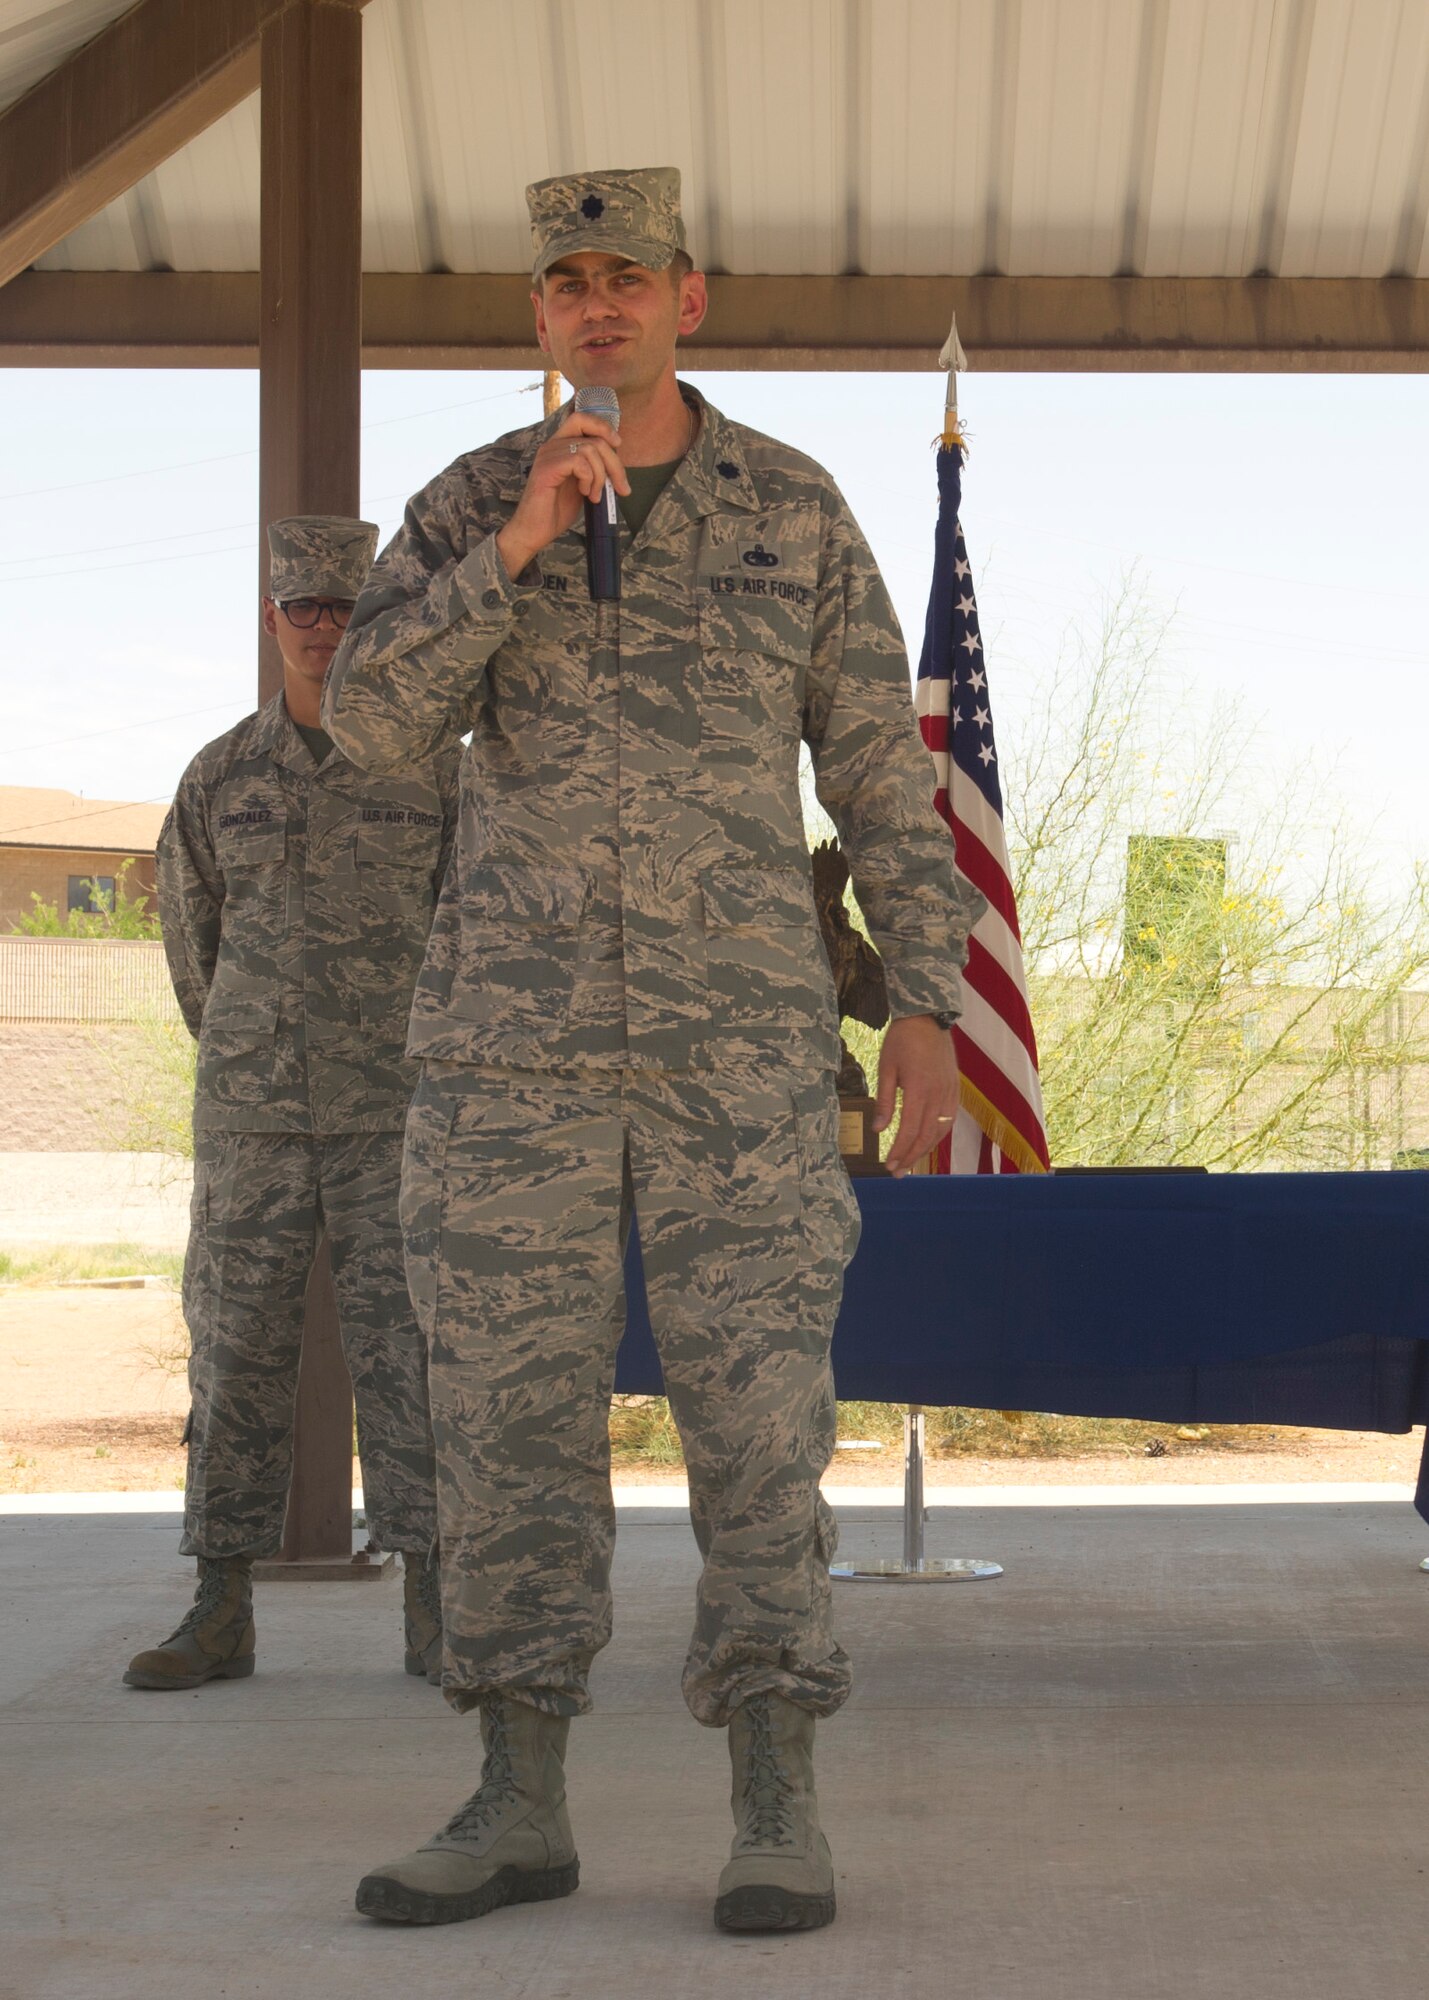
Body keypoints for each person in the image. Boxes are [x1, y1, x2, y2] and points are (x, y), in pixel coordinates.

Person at [323, 168, 979, 1933]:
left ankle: (775, 1798)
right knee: (502, 1429)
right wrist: (516, 545)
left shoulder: (792, 510)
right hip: (506, 1065)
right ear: (535, 319)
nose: (594, 306)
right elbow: (369, 725)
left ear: (690, 299)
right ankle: (514, 1796)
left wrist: (920, 995)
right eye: (563, 285)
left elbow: (876, 775)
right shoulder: (469, 504)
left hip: (735, 1059)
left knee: (758, 1427)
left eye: (627, 277)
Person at [124, 517, 459, 1694]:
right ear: (271, 623)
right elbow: (191, 948)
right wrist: (252, 1057)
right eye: (299, 609)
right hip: (256, 1120)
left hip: (396, 1117)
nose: (321, 629)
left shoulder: (432, 767)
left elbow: (472, 937)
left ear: (370, 623)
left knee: (410, 1355)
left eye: (340, 608)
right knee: (234, 1356)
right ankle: (218, 1606)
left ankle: (436, 1605)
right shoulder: (219, 778)